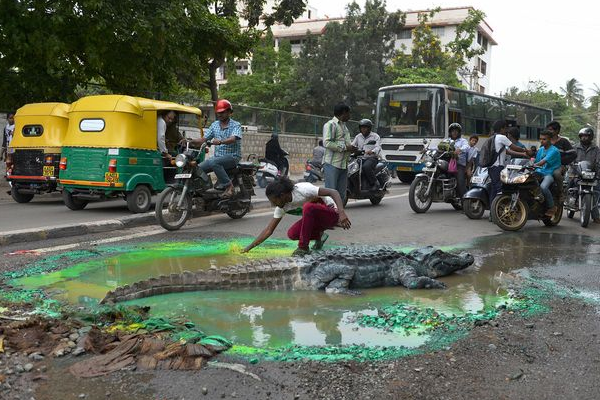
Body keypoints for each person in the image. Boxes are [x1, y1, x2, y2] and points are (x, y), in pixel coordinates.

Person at [242, 177, 351, 256]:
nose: (273, 204)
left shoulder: (303, 190)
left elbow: (333, 192)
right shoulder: (282, 207)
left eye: (274, 201)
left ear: (282, 195)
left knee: (308, 207)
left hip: (331, 213)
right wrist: (248, 248)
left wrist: (341, 213)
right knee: (292, 233)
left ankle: (303, 248)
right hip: (316, 218)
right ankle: (319, 235)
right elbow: (268, 230)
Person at [188, 99, 242, 198]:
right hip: (218, 158)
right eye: (218, 113)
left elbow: (234, 138)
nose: (220, 115)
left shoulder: (236, 125)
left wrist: (221, 141)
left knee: (214, 162)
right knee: (197, 169)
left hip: (232, 157)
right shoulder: (215, 125)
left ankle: (229, 186)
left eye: (222, 112)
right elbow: (203, 139)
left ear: (229, 112)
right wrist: (189, 141)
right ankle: (207, 192)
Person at [488, 120, 531, 208]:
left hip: (491, 167)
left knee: (494, 189)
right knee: (500, 189)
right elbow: (513, 147)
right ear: (501, 128)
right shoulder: (502, 137)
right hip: (498, 167)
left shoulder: (493, 137)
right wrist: (525, 150)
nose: (506, 131)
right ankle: (498, 210)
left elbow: (507, 151)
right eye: (505, 128)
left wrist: (522, 154)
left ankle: (492, 213)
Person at [323, 103, 355, 203]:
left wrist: (352, 149)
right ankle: (329, 215)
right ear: (344, 113)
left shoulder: (344, 126)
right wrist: (345, 147)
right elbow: (327, 142)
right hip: (332, 164)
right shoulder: (331, 124)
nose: (350, 116)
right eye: (349, 113)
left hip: (343, 165)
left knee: (341, 195)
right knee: (331, 194)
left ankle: (337, 216)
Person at [573, 127, 600, 223]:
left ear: (591, 137)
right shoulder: (575, 147)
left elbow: (598, 162)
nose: (584, 138)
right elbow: (571, 160)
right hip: (577, 172)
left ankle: (596, 216)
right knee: (569, 183)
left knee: (596, 191)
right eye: (582, 136)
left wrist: (598, 175)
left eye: (587, 136)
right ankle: (566, 200)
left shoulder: (596, 149)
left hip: (591, 174)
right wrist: (572, 169)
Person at [533, 130, 561, 217]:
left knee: (543, 187)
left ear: (550, 139)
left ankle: (552, 207)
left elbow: (542, 162)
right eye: (540, 139)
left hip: (549, 173)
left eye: (544, 139)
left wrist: (533, 165)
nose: (541, 141)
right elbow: (536, 161)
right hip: (539, 172)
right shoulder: (541, 149)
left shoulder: (554, 150)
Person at [546, 120, 576, 194]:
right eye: (548, 130)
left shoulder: (564, 141)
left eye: (551, 130)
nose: (548, 131)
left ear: (557, 131)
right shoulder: (545, 141)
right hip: (546, 165)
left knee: (556, 173)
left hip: (559, 166)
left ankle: (561, 192)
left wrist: (560, 161)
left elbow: (573, 154)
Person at [351, 119, 381, 191]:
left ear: (369, 128)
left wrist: (372, 151)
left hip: (371, 158)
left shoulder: (375, 136)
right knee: (351, 167)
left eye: (365, 127)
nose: (363, 129)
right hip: (359, 158)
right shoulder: (358, 136)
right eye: (362, 127)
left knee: (366, 167)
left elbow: (378, 147)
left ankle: (375, 183)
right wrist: (351, 150)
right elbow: (353, 145)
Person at [447, 123, 469, 197]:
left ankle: (465, 200)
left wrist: (460, 149)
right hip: (448, 163)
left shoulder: (463, 141)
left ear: (459, 132)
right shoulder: (447, 140)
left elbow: (467, 147)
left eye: (456, 131)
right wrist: (427, 149)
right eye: (453, 131)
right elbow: (438, 146)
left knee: (460, 182)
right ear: (450, 132)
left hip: (458, 164)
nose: (454, 132)